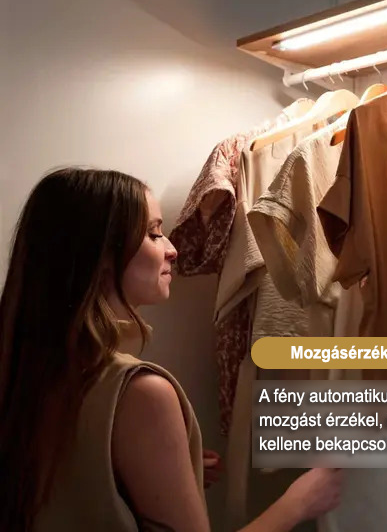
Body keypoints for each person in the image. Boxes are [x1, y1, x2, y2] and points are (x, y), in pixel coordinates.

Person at [0, 167, 342, 532]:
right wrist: (299, 503)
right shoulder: (140, 394)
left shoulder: (26, 373)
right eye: (153, 233)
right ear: (100, 255)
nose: (172, 249)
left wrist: (159, 472)